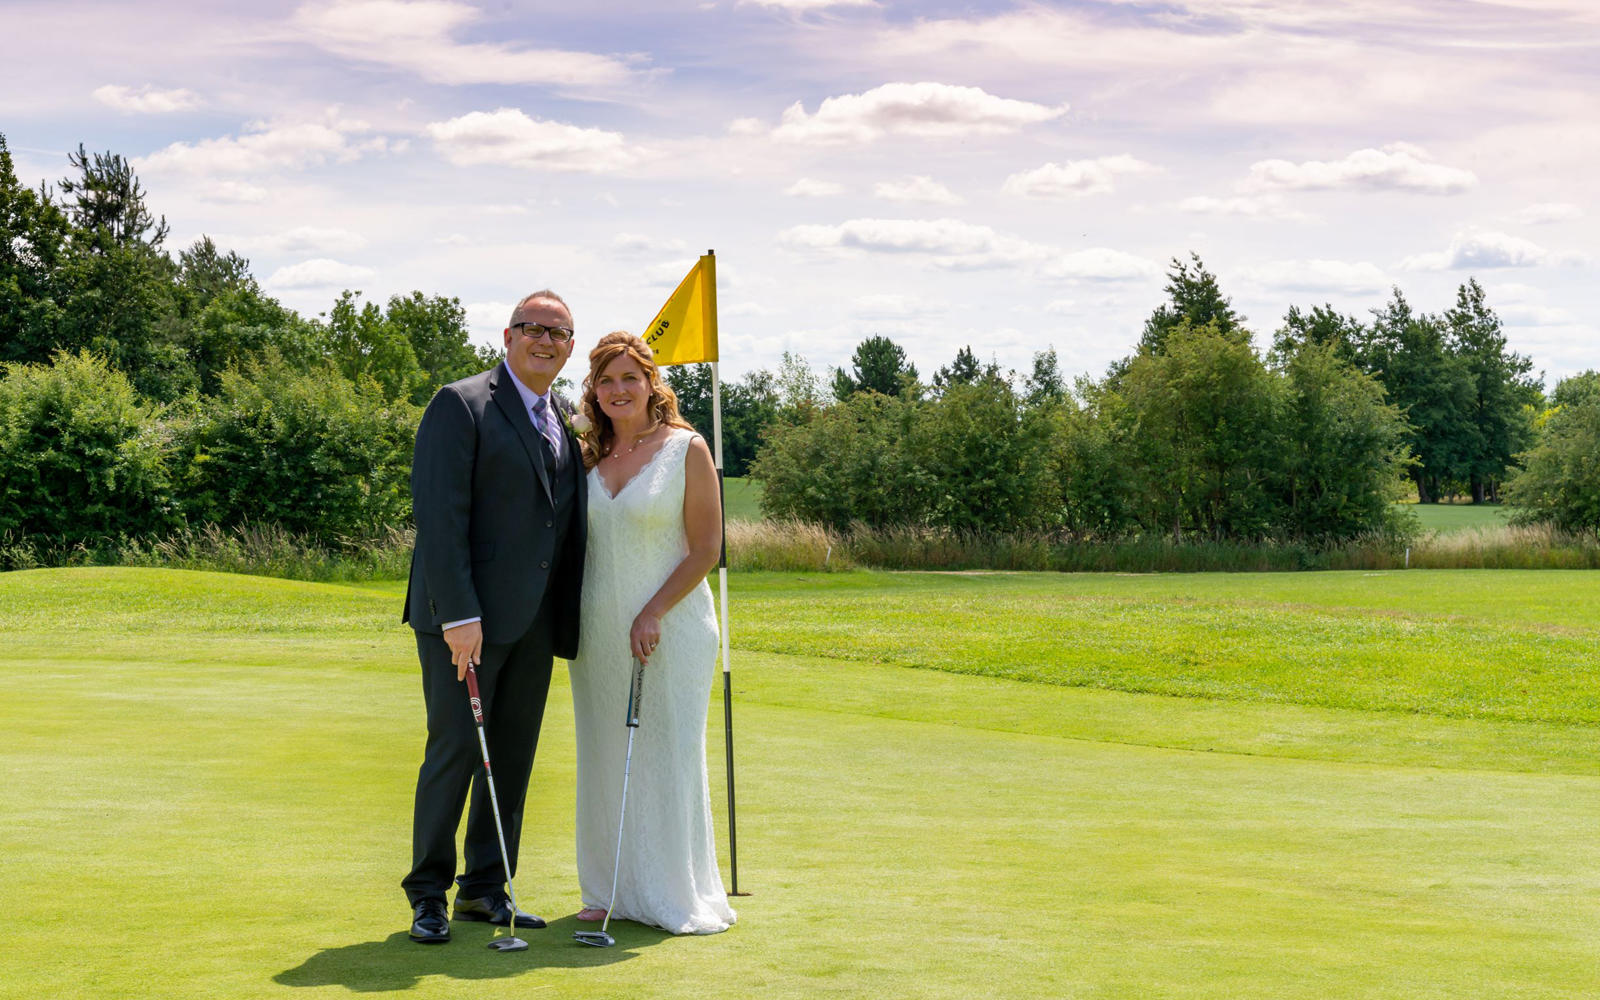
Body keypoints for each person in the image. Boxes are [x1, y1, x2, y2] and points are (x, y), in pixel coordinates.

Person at [400, 290, 587, 944]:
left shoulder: (562, 416)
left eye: (559, 333)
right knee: (455, 752)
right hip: (465, 622)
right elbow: (440, 517)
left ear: (570, 347)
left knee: (510, 757)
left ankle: (485, 887)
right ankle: (428, 893)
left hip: (534, 621)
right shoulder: (462, 402)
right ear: (507, 336)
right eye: (533, 329)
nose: (546, 340)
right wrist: (457, 614)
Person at [567, 331, 737, 935]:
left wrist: (653, 611)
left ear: (651, 383)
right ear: (594, 388)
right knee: (605, 754)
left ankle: (672, 891)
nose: (618, 390)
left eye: (628, 378)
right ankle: (606, 888)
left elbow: (705, 549)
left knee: (666, 753)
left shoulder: (686, 448)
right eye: (606, 380)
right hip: (596, 631)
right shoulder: (585, 453)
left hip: (671, 625)